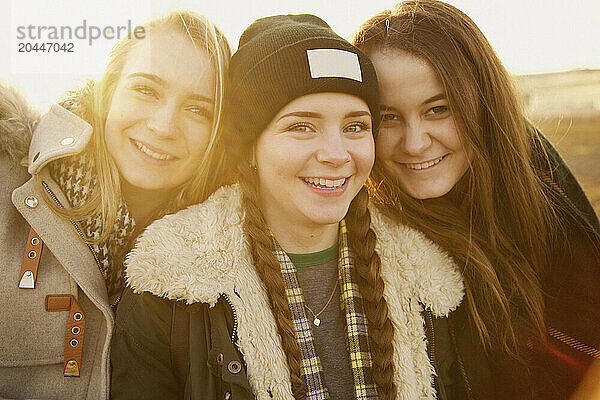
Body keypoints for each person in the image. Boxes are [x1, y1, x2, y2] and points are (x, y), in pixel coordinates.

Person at [111, 14, 468, 400]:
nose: (337, 154)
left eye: (355, 126)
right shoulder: (171, 283)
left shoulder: (425, 279)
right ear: (249, 148)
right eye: (302, 126)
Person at [352, 1, 600, 399]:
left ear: (482, 104)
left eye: (438, 109)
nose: (415, 144)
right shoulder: (365, 237)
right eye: (388, 117)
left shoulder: (534, 172)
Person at [0, 10, 231, 399]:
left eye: (197, 110)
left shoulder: (221, 256)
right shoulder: (12, 184)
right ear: (107, 92)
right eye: (145, 90)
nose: (163, 126)